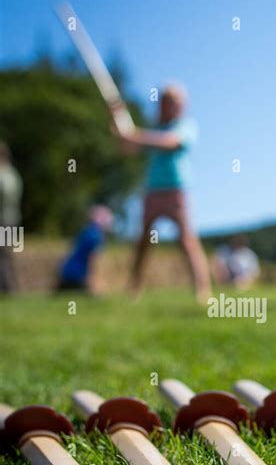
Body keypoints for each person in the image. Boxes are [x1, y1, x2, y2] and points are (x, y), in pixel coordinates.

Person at [110, 85, 212, 303]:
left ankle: (203, 290)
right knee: (143, 242)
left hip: (176, 190)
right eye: (172, 102)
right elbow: (128, 149)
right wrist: (119, 126)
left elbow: (171, 142)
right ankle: (134, 288)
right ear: (163, 104)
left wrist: (135, 135)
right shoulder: (154, 129)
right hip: (153, 191)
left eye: (180, 103)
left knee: (186, 240)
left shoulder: (185, 126)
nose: (178, 107)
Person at [57, 205, 114, 292]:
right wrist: (92, 282)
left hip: (66, 273)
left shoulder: (86, 231)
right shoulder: (96, 236)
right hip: (78, 277)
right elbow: (92, 259)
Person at [0, 141, 23, 293]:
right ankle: (11, 289)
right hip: (14, 219)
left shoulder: (3, 176)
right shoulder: (14, 174)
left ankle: (8, 289)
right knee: (6, 257)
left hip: (3, 221)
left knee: (3, 257)